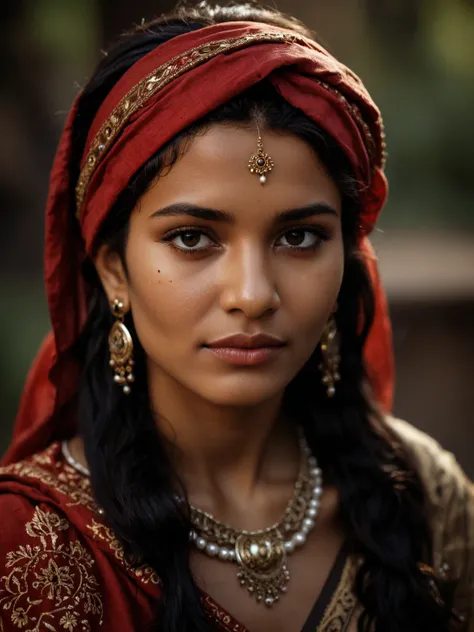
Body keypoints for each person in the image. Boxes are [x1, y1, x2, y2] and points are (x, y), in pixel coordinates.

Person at [0, 3, 472, 631]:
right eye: (194, 238)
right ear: (114, 267)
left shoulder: (425, 498)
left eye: (300, 237)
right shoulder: (33, 551)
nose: (252, 295)